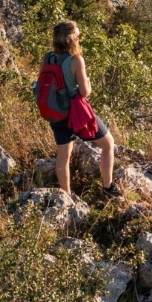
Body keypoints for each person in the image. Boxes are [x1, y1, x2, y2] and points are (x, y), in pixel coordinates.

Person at [40, 20, 119, 197]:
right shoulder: (76, 60)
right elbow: (84, 92)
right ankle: (108, 188)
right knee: (108, 144)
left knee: (63, 156)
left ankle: (66, 196)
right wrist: (88, 83)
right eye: (79, 35)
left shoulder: (48, 58)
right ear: (72, 39)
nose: (80, 38)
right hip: (76, 113)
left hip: (56, 113)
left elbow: (42, 84)